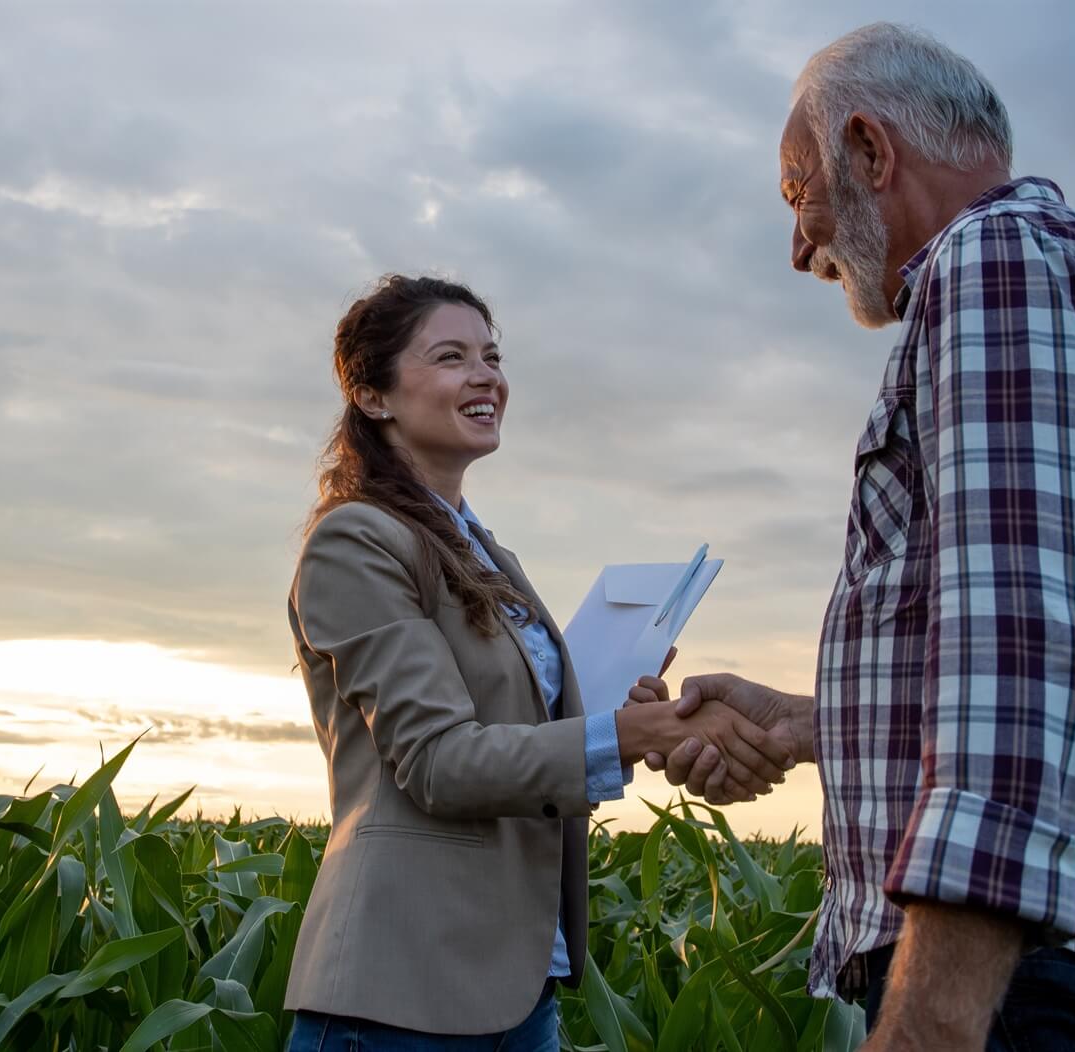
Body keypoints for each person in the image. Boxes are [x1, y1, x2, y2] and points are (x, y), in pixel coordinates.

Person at [639, 23, 1075, 1052]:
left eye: (798, 194)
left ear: (871, 152)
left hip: (1035, 990)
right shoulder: (1065, 270)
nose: (798, 248)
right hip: (1062, 981)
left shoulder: (994, 261)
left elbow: (1026, 656)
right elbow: (1061, 651)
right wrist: (797, 723)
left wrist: (928, 1024)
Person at [283, 274, 785, 1051]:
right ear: (374, 395)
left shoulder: (488, 553)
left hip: (521, 992)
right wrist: (625, 732)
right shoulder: (356, 540)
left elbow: (522, 742)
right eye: (451, 357)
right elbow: (438, 761)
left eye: (492, 355)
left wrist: (627, 710)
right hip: (403, 993)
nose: (486, 376)